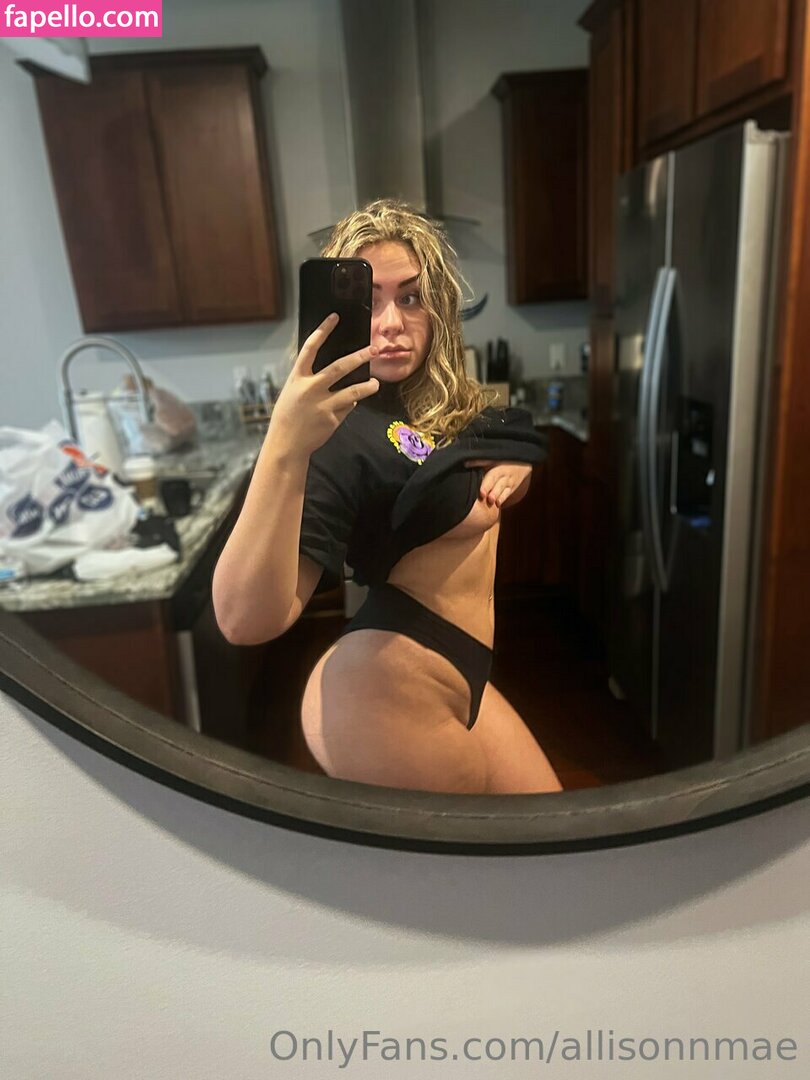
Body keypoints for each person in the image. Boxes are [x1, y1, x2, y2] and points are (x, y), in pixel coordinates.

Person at [213, 199, 562, 795]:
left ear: (438, 306)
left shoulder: (444, 406)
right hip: (386, 691)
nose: (392, 322)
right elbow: (245, 620)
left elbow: (506, 447)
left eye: (411, 297)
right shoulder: (335, 430)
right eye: (368, 302)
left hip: (460, 672)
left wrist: (514, 467)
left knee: (552, 832)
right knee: (487, 857)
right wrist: (285, 445)